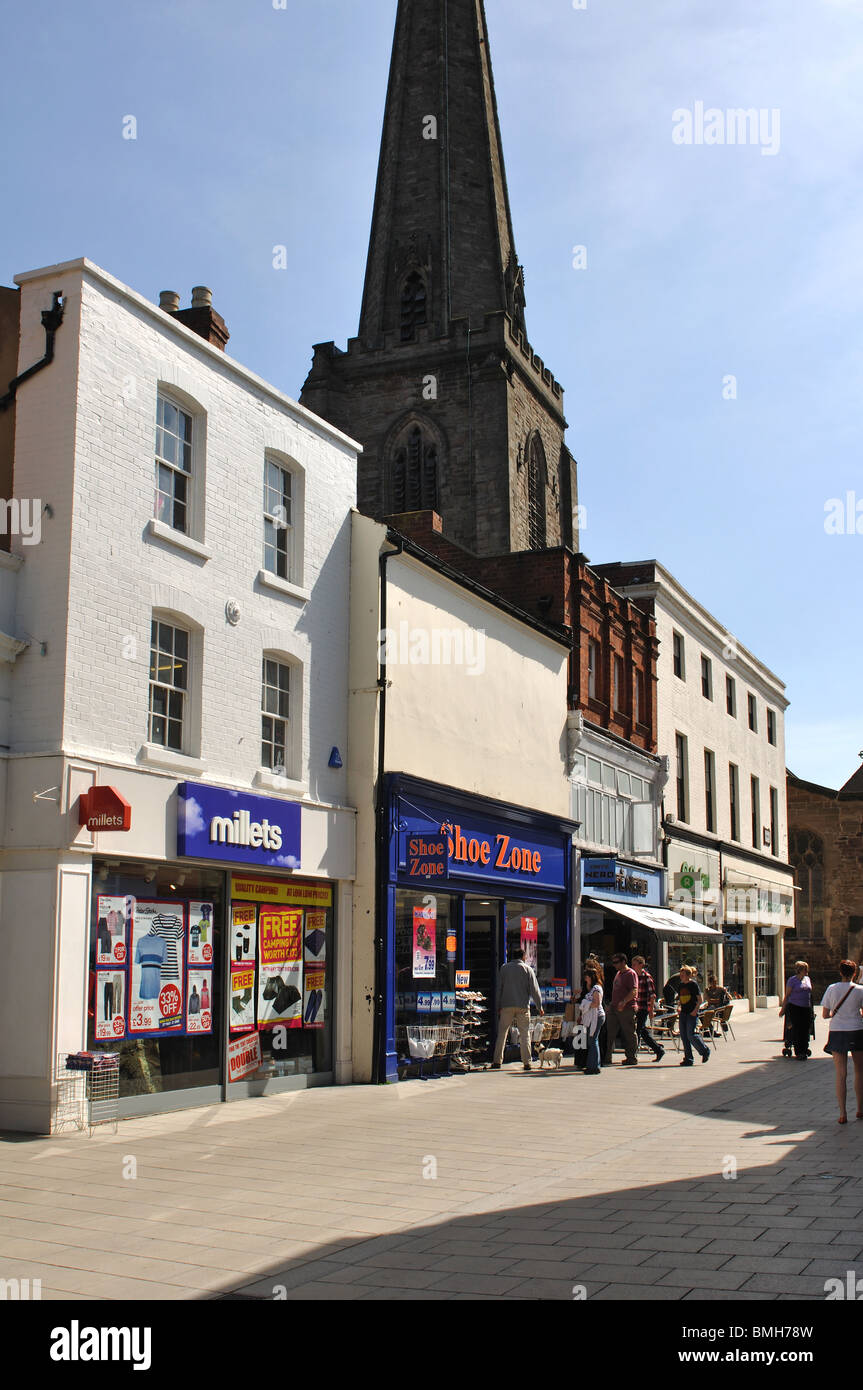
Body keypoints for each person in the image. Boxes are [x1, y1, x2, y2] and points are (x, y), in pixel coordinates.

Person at [821, 960, 863, 1123]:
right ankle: (860, 1110)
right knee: (859, 1071)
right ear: (854, 973)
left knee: (841, 1073)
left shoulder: (832, 988)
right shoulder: (860, 990)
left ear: (840, 972)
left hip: (837, 1032)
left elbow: (825, 1014)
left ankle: (843, 1114)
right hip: (856, 1030)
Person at [492, 948, 544, 1071]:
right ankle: (527, 1062)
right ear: (523, 957)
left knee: (502, 1033)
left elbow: (499, 988)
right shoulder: (528, 969)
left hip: (506, 1005)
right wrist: (539, 1006)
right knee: (525, 1034)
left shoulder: (504, 968)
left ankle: (497, 1061)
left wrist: (498, 1005)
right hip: (523, 1006)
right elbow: (535, 990)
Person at [604, 953, 640, 1066]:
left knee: (629, 1033)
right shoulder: (618, 973)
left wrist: (624, 1001)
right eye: (613, 962)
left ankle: (631, 1057)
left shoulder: (630, 974)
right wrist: (611, 1004)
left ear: (623, 962)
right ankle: (606, 1057)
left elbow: (634, 990)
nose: (614, 965)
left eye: (616, 962)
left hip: (627, 1008)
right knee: (609, 1032)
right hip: (614, 1008)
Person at [675, 965, 710, 1067]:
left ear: (688, 975)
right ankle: (688, 1058)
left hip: (691, 1013)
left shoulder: (693, 985)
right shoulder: (681, 985)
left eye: (683, 975)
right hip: (683, 1013)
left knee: (691, 1034)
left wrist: (695, 1010)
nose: (681, 976)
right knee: (684, 1036)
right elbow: (680, 998)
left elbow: (700, 999)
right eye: (680, 974)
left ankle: (704, 1050)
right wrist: (679, 1007)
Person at [632, 955, 664, 1061]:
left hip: (643, 1007)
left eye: (635, 964)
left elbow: (652, 995)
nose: (633, 966)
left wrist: (650, 1010)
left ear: (641, 965)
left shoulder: (647, 977)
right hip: (636, 1007)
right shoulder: (634, 977)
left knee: (639, 1030)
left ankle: (634, 1054)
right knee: (642, 1031)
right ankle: (658, 1049)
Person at [779, 961, 814, 1060]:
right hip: (795, 1007)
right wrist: (783, 1009)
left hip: (806, 1007)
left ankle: (804, 1048)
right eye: (805, 969)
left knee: (806, 1029)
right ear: (799, 970)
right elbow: (787, 995)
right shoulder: (792, 980)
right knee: (798, 1029)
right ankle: (799, 1051)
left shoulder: (807, 979)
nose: (807, 971)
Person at [578, 964, 605, 1075]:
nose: (585, 978)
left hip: (596, 1016)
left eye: (587, 976)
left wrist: (585, 1004)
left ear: (591, 977)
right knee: (592, 1040)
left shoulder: (596, 988)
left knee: (593, 1040)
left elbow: (596, 1003)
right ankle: (593, 1064)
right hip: (590, 1017)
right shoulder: (589, 989)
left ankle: (594, 1066)